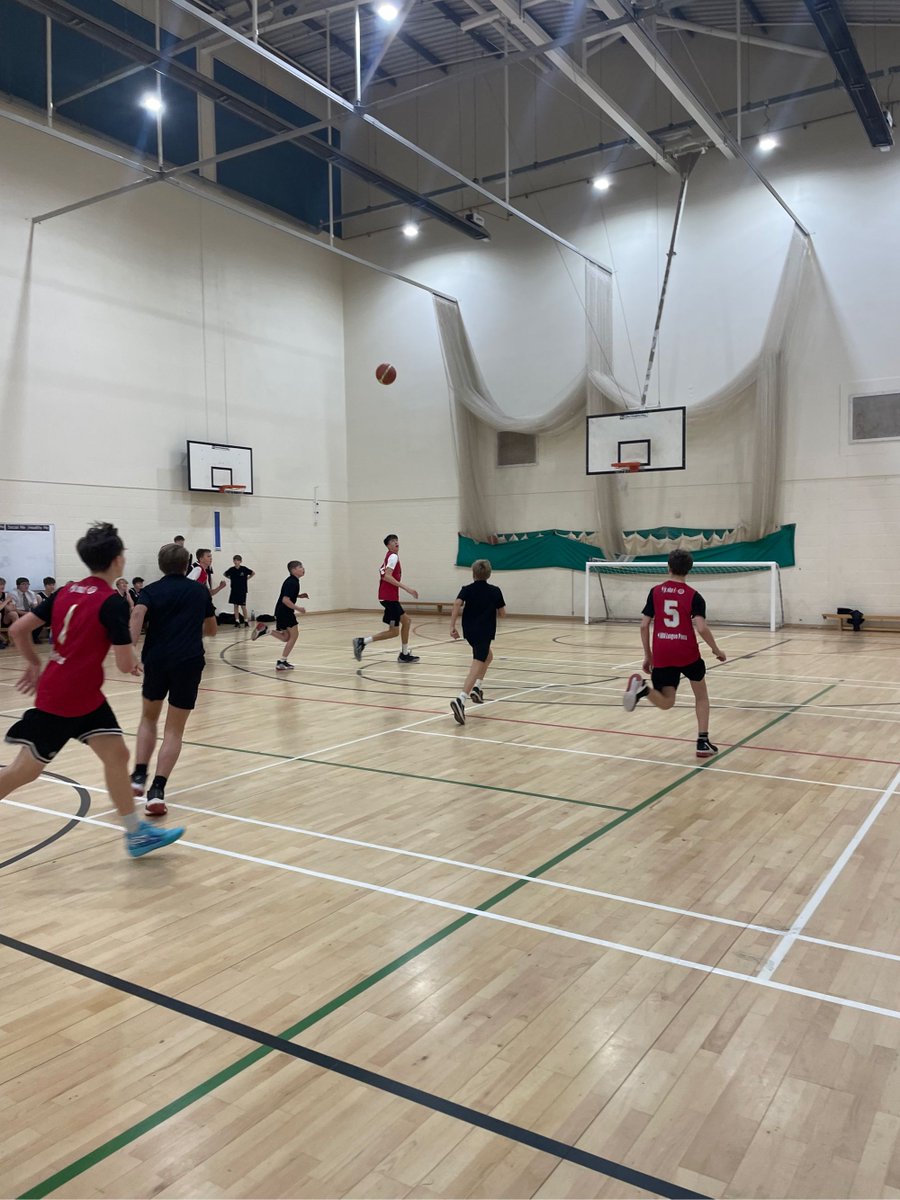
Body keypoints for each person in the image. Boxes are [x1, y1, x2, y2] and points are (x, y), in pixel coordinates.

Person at [0, 522, 184, 857]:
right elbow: (124, 664)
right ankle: (135, 834)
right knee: (23, 771)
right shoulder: (110, 602)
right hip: (68, 700)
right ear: (117, 560)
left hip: (81, 696)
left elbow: (18, 629)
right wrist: (135, 661)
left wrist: (34, 663)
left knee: (117, 755)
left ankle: (136, 834)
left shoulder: (65, 591)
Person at [129, 542, 218, 816]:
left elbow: (137, 613)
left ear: (160, 564)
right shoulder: (198, 591)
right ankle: (157, 790)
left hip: (156, 659)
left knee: (148, 718)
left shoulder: (151, 591)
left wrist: (130, 647)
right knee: (174, 730)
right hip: (188, 661)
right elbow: (212, 630)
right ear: (187, 564)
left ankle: (139, 775)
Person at [622, 549, 726, 759]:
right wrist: (717, 650)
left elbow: (644, 626)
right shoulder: (694, 596)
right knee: (701, 696)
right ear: (689, 570)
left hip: (662, 652)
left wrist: (648, 655)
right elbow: (702, 628)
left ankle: (643, 689)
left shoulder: (655, 591)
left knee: (667, 701)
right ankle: (702, 742)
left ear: (668, 567)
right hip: (687, 652)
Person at [449, 559, 506, 725]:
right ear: (489, 574)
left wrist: (452, 626)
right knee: (477, 665)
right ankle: (461, 699)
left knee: (488, 657)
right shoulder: (495, 591)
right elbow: (503, 613)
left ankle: (477, 688)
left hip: (470, 632)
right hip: (484, 631)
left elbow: (457, 603)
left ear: (473, 573)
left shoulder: (466, 589)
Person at [352, 534, 420, 664]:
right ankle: (361, 642)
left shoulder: (390, 557)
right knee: (395, 631)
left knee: (405, 622)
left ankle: (404, 654)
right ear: (388, 546)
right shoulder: (393, 556)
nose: (396, 543)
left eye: (396, 540)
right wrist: (407, 588)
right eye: (392, 541)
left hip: (388, 598)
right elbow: (387, 577)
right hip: (389, 598)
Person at [252, 561, 306, 671]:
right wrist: (299, 608)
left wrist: (299, 596)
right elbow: (285, 600)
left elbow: (287, 595)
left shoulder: (292, 581)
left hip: (280, 612)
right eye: (300, 567)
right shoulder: (292, 582)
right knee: (294, 636)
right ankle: (282, 662)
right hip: (286, 612)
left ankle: (266, 631)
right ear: (293, 570)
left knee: (286, 637)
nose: (303, 569)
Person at [224, 555, 255, 626]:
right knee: (235, 605)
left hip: (242, 590)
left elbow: (253, 573)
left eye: (237, 560)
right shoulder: (231, 569)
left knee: (243, 606)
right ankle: (237, 621)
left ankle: (246, 620)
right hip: (234, 589)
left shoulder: (244, 569)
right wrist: (231, 578)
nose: (236, 562)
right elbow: (225, 574)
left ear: (240, 561)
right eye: (235, 560)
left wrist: (247, 578)